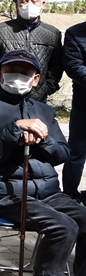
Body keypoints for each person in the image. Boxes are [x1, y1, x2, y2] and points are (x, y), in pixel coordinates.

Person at [0, 49, 86, 276]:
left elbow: (63, 154)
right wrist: (15, 130)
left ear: (35, 79)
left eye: (24, 72)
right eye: (11, 71)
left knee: (84, 218)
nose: (16, 77)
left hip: (48, 193)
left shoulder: (44, 110)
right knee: (63, 225)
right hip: (6, 195)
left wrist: (44, 138)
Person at [0, 0, 63, 102]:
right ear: (17, 5)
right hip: (3, 98)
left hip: (37, 99)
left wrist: (48, 88)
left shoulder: (52, 34)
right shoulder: (1, 30)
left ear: (42, 4)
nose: (29, 4)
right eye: (24, 1)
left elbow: (57, 64)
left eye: (34, 1)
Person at [62, 20, 86, 202]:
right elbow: (73, 66)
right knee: (76, 152)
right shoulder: (75, 33)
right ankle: (70, 195)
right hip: (83, 106)